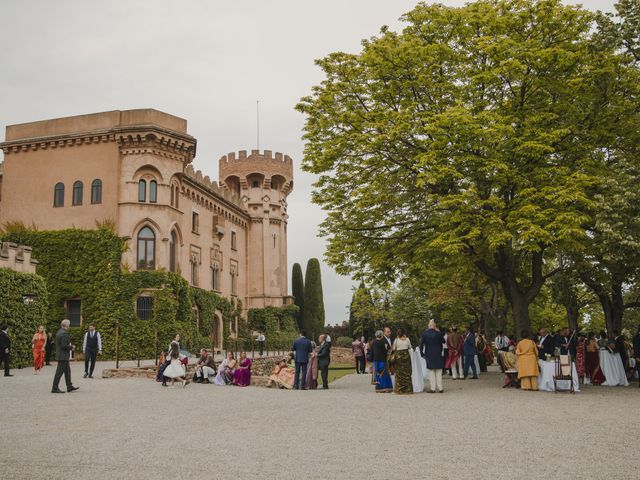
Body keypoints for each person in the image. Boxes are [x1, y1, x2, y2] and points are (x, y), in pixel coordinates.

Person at [51, 319, 79, 393]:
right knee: (59, 373)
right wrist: (72, 347)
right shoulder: (64, 334)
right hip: (63, 356)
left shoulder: (59, 332)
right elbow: (64, 346)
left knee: (67, 372)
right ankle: (54, 388)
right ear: (67, 325)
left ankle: (69, 386)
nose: (69, 326)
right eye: (69, 325)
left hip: (62, 355)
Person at [420, 320, 445, 393]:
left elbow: (421, 344)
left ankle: (433, 388)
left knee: (431, 371)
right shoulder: (438, 333)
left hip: (429, 354)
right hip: (438, 353)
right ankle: (440, 388)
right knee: (439, 371)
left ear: (428, 326)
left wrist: (422, 354)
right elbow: (443, 341)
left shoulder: (424, 334)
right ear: (435, 326)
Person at [391, 328, 413, 394]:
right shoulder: (407, 339)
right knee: (407, 373)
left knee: (398, 374)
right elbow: (410, 347)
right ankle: (408, 390)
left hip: (398, 358)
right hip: (406, 357)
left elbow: (394, 349)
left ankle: (399, 390)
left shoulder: (396, 340)